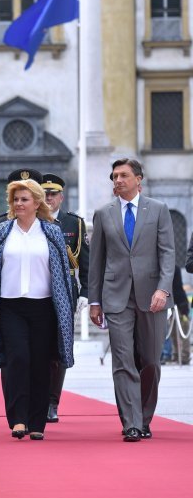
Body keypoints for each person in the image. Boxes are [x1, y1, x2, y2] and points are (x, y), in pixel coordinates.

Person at [88, 158, 175, 442]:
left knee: (150, 360)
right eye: (114, 176)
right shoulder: (103, 214)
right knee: (122, 360)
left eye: (124, 175)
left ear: (139, 179)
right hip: (116, 298)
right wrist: (94, 301)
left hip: (152, 297)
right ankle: (131, 423)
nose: (118, 180)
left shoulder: (159, 210)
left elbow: (168, 254)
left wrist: (163, 289)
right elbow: (96, 261)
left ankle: (145, 416)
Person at [0, 179, 74, 441]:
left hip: (43, 306)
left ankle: (37, 422)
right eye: (15, 200)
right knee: (17, 359)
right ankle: (18, 418)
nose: (18, 204)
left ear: (36, 202)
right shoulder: (1, 232)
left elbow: (62, 274)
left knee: (41, 363)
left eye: (24, 199)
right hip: (10, 305)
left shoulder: (51, 232)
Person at [41, 173, 89, 423]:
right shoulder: (32, 220)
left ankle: (52, 402)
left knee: (58, 351)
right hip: (37, 291)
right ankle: (37, 399)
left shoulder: (73, 224)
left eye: (53, 194)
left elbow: (85, 262)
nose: (49, 198)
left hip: (66, 292)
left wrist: (86, 294)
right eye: (45, 194)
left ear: (61, 196)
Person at [168, 266, 190, 365]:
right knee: (173, 333)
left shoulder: (174, 268)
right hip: (171, 304)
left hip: (180, 304)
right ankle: (176, 355)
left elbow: (177, 288)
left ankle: (185, 356)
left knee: (184, 331)